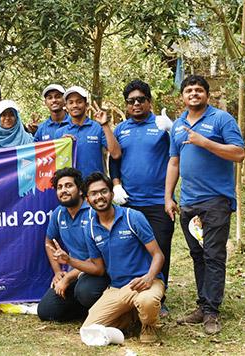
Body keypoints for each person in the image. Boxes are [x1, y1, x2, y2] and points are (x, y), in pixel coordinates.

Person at [167, 75, 245, 334]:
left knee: (214, 255)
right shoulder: (177, 126)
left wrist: (206, 143)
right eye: (188, 90)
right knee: (197, 255)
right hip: (189, 203)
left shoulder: (221, 119)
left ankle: (212, 312)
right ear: (183, 96)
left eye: (199, 90)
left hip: (216, 201)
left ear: (207, 95)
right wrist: (169, 197)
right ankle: (202, 305)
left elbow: (238, 153)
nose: (193, 94)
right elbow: (174, 162)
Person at [47, 172, 165, 343]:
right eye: (94, 194)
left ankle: (148, 325)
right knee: (89, 331)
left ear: (111, 194)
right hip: (117, 288)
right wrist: (70, 261)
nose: (99, 197)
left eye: (103, 191)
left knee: (147, 301)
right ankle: (132, 316)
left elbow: (158, 255)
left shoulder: (133, 217)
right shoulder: (91, 229)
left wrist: (149, 277)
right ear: (87, 199)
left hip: (145, 283)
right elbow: (97, 268)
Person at [109, 80, 174, 316]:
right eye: (131, 101)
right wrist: (116, 185)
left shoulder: (161, 125)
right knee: (135, 250)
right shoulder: (121, 129)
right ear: (126, 106)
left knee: (160, 249)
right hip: (130, 203)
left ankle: (160, 296)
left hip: (158, 201)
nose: (136, 104)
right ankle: (135, 294)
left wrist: (172, 129)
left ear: (149, 101)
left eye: (140, 100)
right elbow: (114, 159)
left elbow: (179, 154)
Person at [37, 168, 109, 322]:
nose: (64, 190)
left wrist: (67, 278)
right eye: (60, 187)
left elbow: (100, 260)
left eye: (69, 186)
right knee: (46, 311)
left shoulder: (93, 213)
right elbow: (48, 242)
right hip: (75, 273)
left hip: (98, 272)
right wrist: (57, 272)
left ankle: (106, 307)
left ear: (81, 191)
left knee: (85, 292)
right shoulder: (59, 213)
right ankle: (84, 310)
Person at [53, 86, 121, 178]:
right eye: (71, 102)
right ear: (66, 106)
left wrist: (105, 124)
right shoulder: (60, 132)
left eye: (79, 102)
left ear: (87, 105)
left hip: (95, 187)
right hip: (71, 187)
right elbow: (54, 163)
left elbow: (116, 154)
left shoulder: (98, 128)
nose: (75, 105)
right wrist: (62, 145)